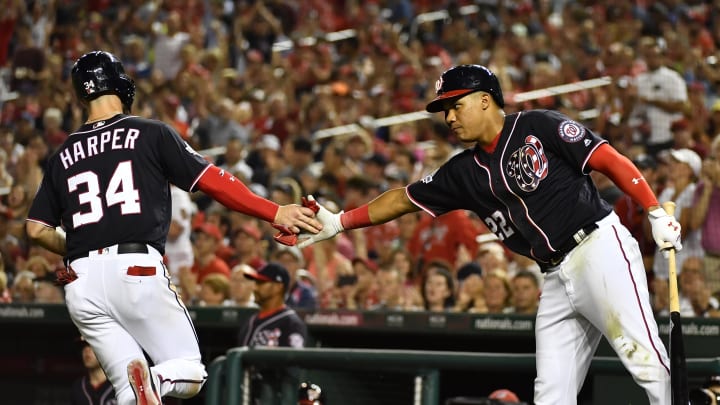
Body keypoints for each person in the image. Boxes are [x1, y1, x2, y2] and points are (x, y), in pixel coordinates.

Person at [296, 64, 682, 404]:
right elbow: (402, 199)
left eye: (455, 105)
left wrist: (651, 208)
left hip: (598, 248)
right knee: (550, 393)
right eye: (444, 110)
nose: (448, 117)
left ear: (484, 100)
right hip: (553, 275)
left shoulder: (536, 125)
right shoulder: (461, 172)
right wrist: (340, 222)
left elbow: (607, 158)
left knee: (646, 361)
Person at [24, 51, 321, 405]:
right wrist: (273, 211)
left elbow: (36, 230)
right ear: (118, 83)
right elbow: (214, 181)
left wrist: (79, 248)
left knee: (128, 394)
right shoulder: (149, 132)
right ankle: (156, 376)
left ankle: (145, 382)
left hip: (81, 281)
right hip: (134, 269)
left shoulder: (63, 154)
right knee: (190, 370)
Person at [71, 337, 116, 405]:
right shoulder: (78, 387)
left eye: (92, 345)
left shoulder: (119, 383)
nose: (87, 350)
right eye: (83, 347)